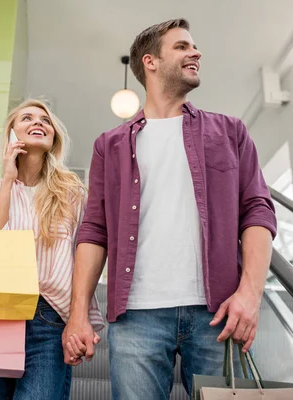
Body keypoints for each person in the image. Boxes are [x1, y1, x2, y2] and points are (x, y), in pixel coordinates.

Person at [62, 18, 277, 399]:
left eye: (193, 47)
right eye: (181, 47)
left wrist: (250, 294)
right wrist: (78, 313)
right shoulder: (109, 146)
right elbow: (94, 230)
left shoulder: (230, 132)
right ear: (150, 62)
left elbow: (257, 211)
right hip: (136, 316)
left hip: (220, 314)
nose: (195, 52)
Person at [0, 99, 104, 400]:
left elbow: (84, 254)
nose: (38, 123)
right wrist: (7, 179)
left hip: (49, 317)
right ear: (12, 135)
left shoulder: (72, 192)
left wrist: (81, 319)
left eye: (45, 120)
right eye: (26, 118)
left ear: (54, 136)